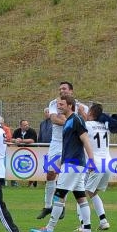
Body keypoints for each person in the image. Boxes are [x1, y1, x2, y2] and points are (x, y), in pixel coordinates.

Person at [30, 94, 95, 232]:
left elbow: (85, 140)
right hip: (72, 163)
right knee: (80, 197)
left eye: (61, 104)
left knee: (59, 195)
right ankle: (87, 231)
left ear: (70, 106)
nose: (58, 107)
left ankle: (49, 228)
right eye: (58, 104)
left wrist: (91, 160)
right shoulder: (68, 121)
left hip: (74, 164)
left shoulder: (76, 120)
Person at [37, 81, 88, 219]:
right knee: (51, 173)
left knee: (65, 175)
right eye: (60, 89)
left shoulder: (81, 106)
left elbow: (87, 122)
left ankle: (61, 206)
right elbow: (54, 119)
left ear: (71, 91)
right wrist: (73, 122)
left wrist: (71, 120)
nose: (61, 91)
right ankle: (48, 206)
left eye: (64, 89)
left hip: (71, 144)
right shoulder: (54, 103)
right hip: (56, 143)